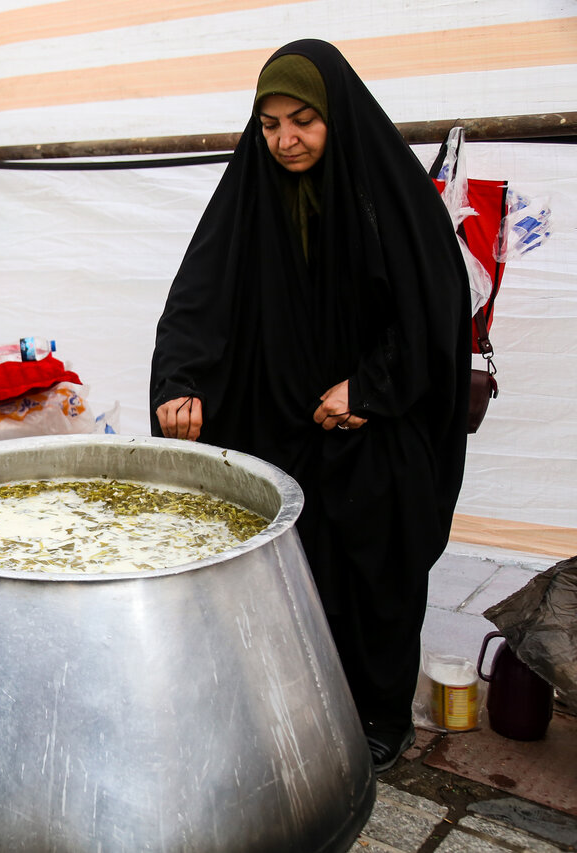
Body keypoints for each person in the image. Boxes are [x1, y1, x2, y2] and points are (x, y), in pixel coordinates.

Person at [149, 40, 470, 772]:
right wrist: (178, 383)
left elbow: (432, 310)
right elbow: (198, 302)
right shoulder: (250, 194)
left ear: (336, 118)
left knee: (375, 578)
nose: (285, 140)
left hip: (375, 430)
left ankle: (380, 714)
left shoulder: (389, 195)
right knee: (287, 578)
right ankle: (293, 705)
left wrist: (370, 388)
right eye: (269, 125)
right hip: (283, 423)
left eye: (302, 121)